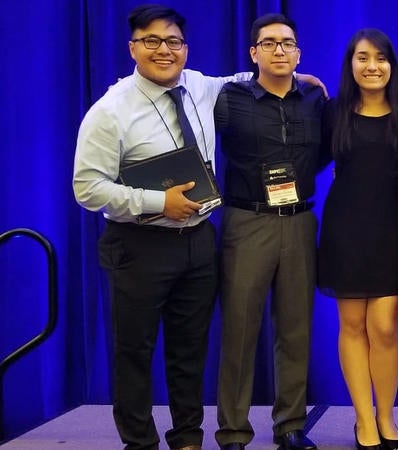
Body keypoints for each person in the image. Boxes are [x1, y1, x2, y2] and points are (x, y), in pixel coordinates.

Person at [72, 4, 259, 450]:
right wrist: (158, 202)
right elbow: (87, 188)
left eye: (173, 42)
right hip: (139, 245)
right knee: (134, 353)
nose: (164, 50)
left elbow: (239, 81)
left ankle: (188, 438)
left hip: (198, 242)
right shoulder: (110, 110)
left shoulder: (197, 85)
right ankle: (140, 442)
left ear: (185, 48)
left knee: (190, 351)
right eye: (151, 41)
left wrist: (295, 81)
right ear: (132, 47)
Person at [213, 12, 327, 450]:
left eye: (288, 43)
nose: (280, 50)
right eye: (270, 43)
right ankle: (233, 432)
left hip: (300, 221)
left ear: (298, 52)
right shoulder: (229, 98)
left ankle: (290, 426)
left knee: (295, 329)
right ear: (253, 52)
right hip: (247, 221)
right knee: (240, 330)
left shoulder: (315, 98)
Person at [316, 28, 398, 450]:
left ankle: (386, 415)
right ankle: (363, 420)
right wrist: (306, 82)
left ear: (391, 65)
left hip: (395, 230)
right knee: (352, 325)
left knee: (384, 327)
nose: (371, 66)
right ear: (350, 64)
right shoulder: (333, 110)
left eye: (380, 58)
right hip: (345, 229)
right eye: (362, 58)